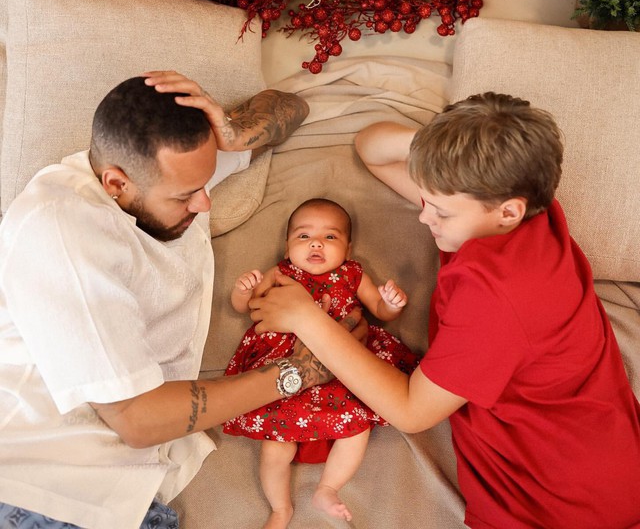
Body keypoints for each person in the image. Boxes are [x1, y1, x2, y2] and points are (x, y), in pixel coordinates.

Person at [248, 93, 640, 529]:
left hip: (563, 501)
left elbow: (412, 412)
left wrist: (308, 318)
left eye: (441, 211)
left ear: (508, 212)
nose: (423, 216)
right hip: (606, 450)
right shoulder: (517, 204)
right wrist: (441, 147)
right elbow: (371, 149)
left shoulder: (498, 299)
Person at [0, 70, 337, 529]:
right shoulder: (64, 228)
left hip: (122, 495)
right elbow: (137, 420)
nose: (205, 204)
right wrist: (297, 372)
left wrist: (235, 132)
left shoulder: (167, 170)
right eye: (186, 197)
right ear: (116, 184)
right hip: (40, 490)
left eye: (204, 184)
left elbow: (291, 106)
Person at [223, 197, 418, 528]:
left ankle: (328, 488)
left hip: (342, 364)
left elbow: (378, 310)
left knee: (357, 427)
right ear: (286, 247)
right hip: (284, 364)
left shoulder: (353, 274)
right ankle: (280, 508)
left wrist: (390, 304)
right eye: (303, 236)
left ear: (348, 248)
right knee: (276, 446)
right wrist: (242, 292)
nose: (316, 243)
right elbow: (249, 305)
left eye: (330, 237)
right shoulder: (281, 272)